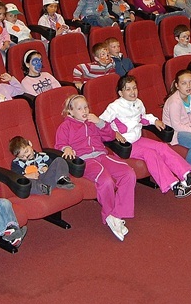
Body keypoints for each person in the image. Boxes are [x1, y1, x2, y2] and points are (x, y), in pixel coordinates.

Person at [101, 76, 191, 198]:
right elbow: (101, 123)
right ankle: (174, 185)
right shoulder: (114, 107)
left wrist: (155, 121)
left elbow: (143, 117)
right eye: (128, 89)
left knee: (162, 147)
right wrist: (114, 133)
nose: (133, 92)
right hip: (124, 146)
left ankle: (187, 175)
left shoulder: (138, 103)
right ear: (120, 93)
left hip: (138, 139)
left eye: (134, 88)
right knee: (150, 154)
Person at [55, 94, 136, 241]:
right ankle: (109, 213)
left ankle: (117, 214)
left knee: (128, 173)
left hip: (102, 156)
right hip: (85, 161)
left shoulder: (93, 122)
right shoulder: (65, 126)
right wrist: (66, 148)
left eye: (86, 107)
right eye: (79, 108)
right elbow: (59, 144)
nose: (84, 111)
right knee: (106, 181)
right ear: (70, 112)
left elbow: (110, 136)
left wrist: (100, 122)